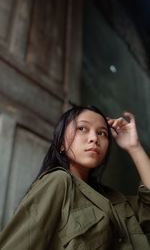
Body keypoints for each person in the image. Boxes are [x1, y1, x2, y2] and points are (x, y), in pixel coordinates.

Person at [0, 105, 150, 250]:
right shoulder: (58, 181)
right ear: (61, 145)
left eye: (102, 133)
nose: (94, 138)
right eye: (82, 128)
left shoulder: (116, 199)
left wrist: (134, 147)